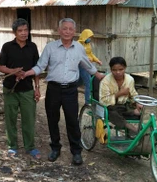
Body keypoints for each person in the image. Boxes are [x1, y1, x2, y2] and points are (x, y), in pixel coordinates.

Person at [24, 18, 104, 165]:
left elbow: (87, 65)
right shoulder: (50, 47)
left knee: (72, 121)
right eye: (64, 28)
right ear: (59, 30)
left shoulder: (79, 48)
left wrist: (99, 75)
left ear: (74, 31)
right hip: (53, 89)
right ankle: (55, 148)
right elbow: (40, 66)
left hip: (71, 90)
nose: (67, 31)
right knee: (52, 120)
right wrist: (27, 73)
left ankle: (76, 151)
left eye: (70, 29)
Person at [0, 18, 41, 159]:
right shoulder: (7, 47)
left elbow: (37, 69)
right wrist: (13, 71)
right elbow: (0, 67)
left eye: (26, 30)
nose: (24, 33)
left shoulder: (32, 47)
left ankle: (30, 146)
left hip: (27, 89)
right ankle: (12, 146)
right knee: (10, 119)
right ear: (14, 32)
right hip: (10, 89)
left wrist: (37, 88)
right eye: (20, 31)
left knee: (29, 119)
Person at [99, 56, 142, 135]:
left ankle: (143, 132)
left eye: (120, 69)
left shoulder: (129, 79)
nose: (118, 72)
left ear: (125, 68)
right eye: (114, 70)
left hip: (123, 106)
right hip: (109, 108)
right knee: (112, 113)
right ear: (111, 69)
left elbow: (133, 94)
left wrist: (137, 103)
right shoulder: (105, 81)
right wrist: (119, 94)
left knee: (140, 111)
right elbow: (103, 101)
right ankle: (130, 128)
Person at [78, 29, 102, 105]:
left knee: (80, 82)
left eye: (90, 37)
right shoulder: (78, 45)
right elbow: (78, 56)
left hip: (89, 65)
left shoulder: (88, 44)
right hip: (82, 66)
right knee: (88, 82)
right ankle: (87, 102)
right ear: (85, 36)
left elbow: (90, 53)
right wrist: (85, 59)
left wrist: (97, 60)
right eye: (89, 37)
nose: (90, 39)